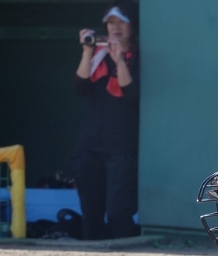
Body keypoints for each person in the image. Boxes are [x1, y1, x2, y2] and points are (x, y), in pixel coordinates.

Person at [71, 0, 140, 241]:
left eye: (121, 22)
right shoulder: (97, 55)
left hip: (121, 149)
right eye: (111, 22)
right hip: (90, 146)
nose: (115, 27)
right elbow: (79, 87)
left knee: (118, 212)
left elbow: (131, 95)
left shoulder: (137, 56)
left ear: (132, 26)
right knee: (91, 214)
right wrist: (87, 51)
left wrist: (119, 60)